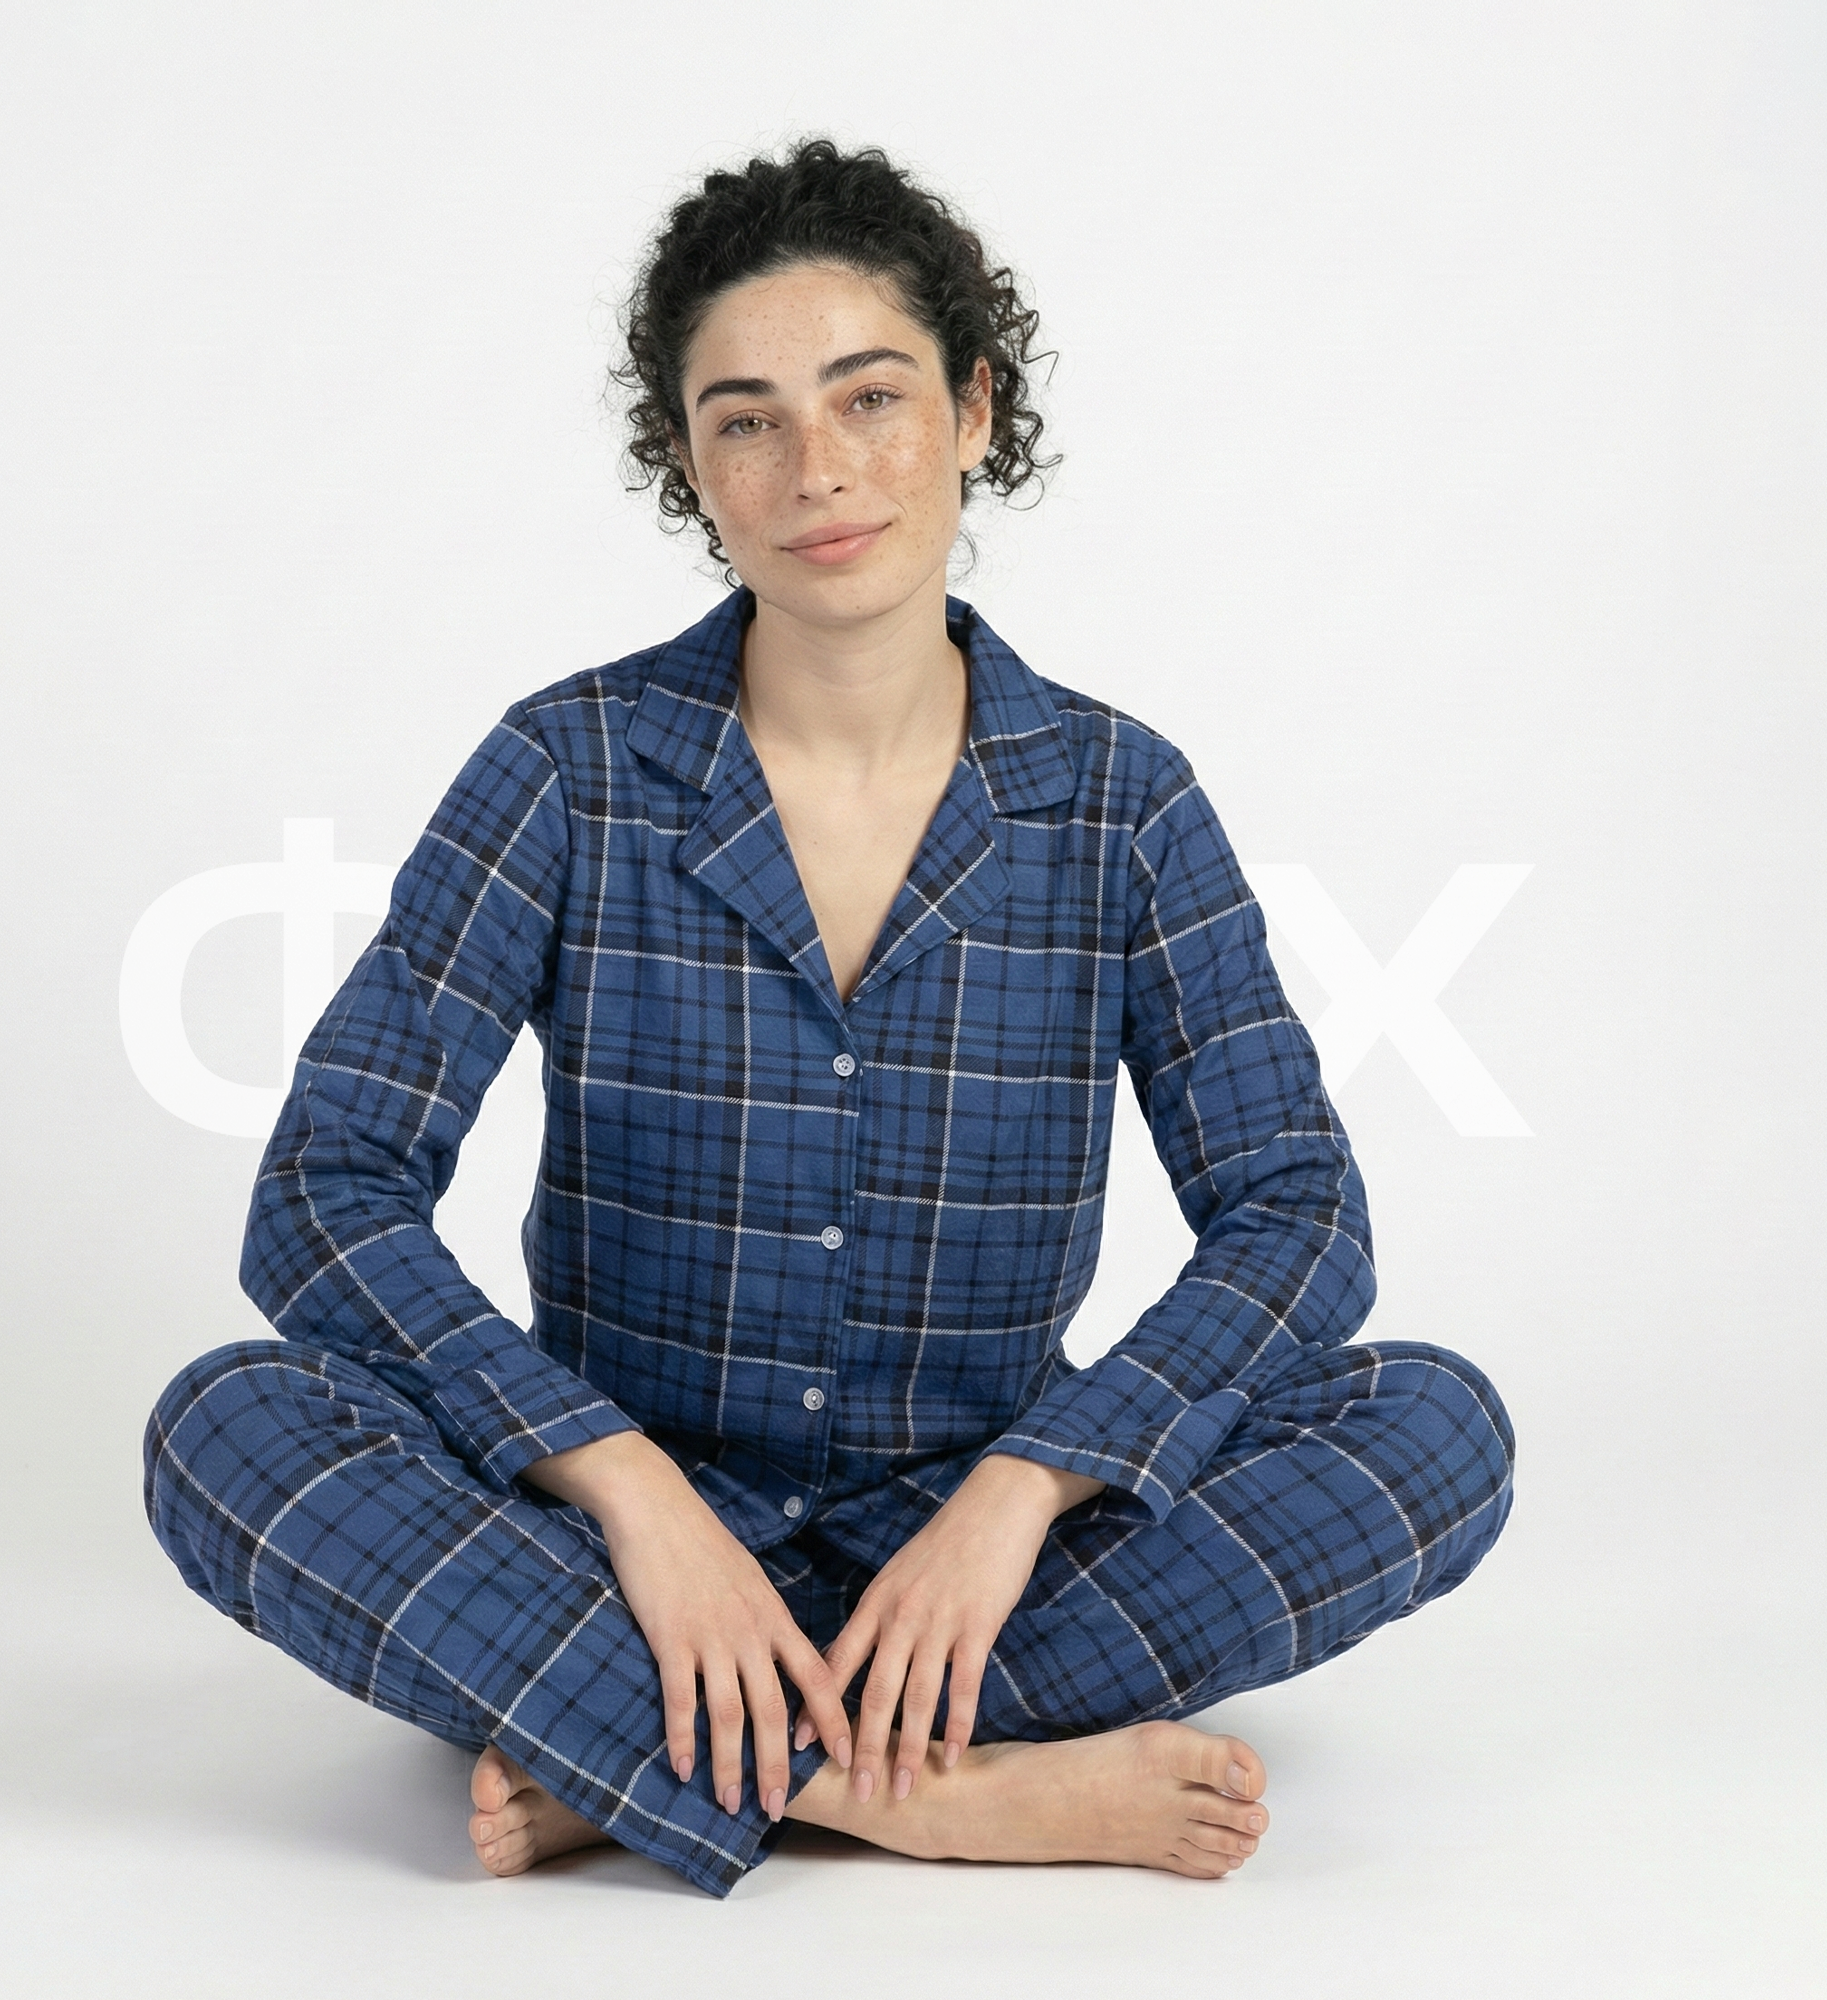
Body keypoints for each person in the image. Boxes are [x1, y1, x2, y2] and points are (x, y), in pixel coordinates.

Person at [143, 139, 1514, 1899]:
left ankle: (646, 1755)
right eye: (749, 421)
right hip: (619, 1552)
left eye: (870, 398)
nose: (819, 470)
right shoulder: (568, 769)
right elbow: (327, 1188)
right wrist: (629, 1493)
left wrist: (1027, 1492)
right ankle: (927, 1793)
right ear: (689, 465)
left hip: (982, 1561)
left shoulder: (1120, 799)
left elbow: (1297, 1213)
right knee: (226, 1426)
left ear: (974, 410)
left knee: (1434, 1427)